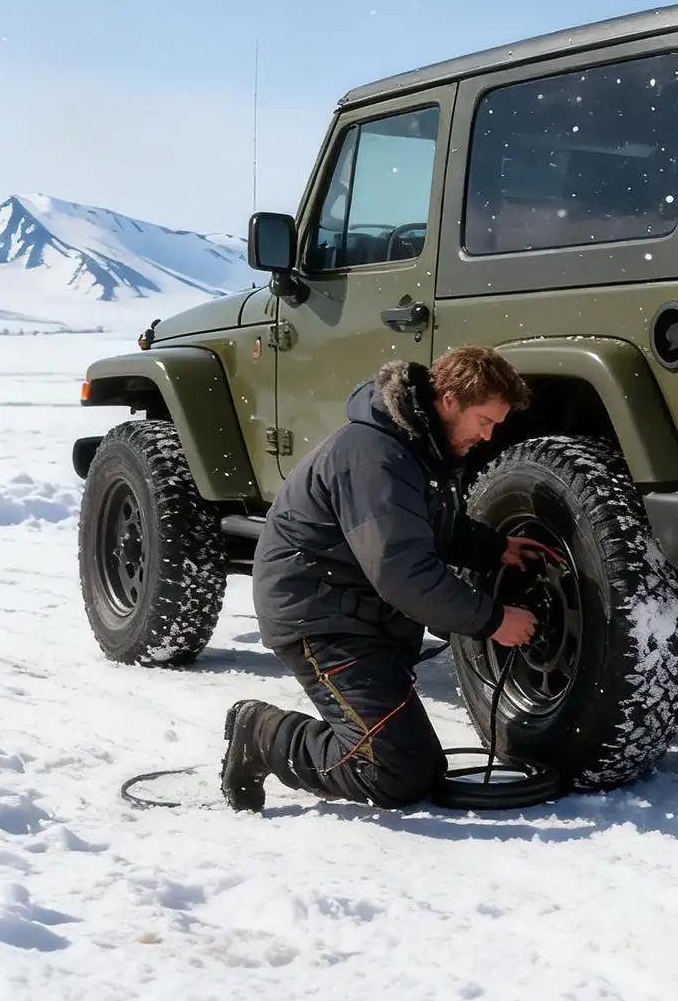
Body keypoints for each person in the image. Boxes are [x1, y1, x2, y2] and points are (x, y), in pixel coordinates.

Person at [221, 346, 540, 812]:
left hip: (361, 619)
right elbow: (403, 573)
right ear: (449, 400)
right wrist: (493, 620)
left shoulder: (415, 446)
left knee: (417, 767)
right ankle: (262, 734)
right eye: (485, 421)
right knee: (390, 773)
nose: (488, 436)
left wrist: (492, 548)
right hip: (321, 620)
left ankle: (328, 744)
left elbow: (421, 524)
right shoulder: (375, 457)